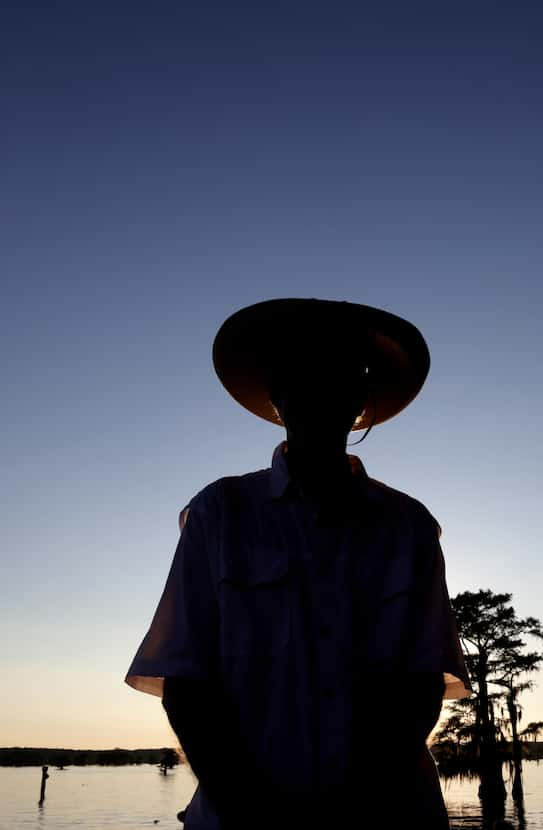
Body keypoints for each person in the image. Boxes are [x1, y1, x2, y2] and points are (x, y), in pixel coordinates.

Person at [125, 298, 472, 829]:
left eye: (337, 373)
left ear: (360, 396)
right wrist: (252, 812)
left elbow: (421, 685)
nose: (317, 388)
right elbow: (186, 683)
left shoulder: (408, 527)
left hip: (389, 817)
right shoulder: (219, 514)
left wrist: (352, 812)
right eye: (298, 374)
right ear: (277, 395)